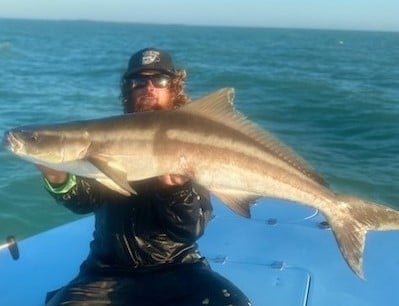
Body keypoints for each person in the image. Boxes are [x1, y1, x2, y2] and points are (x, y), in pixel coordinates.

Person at [40, 47, 251, 306]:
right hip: (105, 271)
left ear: (173, 87)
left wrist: (175, 191)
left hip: (178, 266)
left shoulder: (197, 144)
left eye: (159, 80)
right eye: (138, 80)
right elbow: (86, 200)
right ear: (127, 89)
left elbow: (190, 229)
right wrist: (59, 179)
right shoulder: (106, 138)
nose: (148, 87)